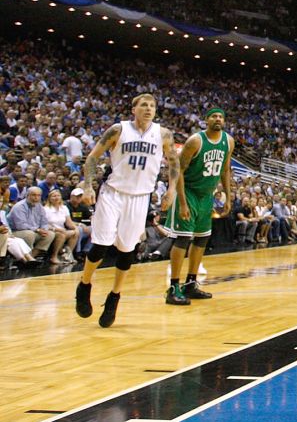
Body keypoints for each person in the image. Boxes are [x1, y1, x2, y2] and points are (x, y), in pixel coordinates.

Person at [75, 93, 180, 328]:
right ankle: (84, 284)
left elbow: (174, 162)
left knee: (126, 251)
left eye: (152, 105)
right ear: (133, 109)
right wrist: (88, 185)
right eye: (144, 104)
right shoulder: (118, 130)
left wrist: (171, 190)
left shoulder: (163, 134)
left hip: (140, 197)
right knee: (101, 244)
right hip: (113, 192)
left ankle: (114, 296)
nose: (149, 108)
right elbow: (92, 158)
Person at [163, 107, 234, 306]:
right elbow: (179, 171)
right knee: (183, 239)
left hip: (207, 196)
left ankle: (191, 283)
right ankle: (173, 287)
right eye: (214, 116)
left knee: (202, 240)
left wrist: (228, 197)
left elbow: (226, 170)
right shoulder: (195, 141)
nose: (218, 119)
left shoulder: (228, 141)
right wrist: (183, 202)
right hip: (189, 193)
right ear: (206, 120)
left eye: (221, 116)